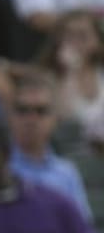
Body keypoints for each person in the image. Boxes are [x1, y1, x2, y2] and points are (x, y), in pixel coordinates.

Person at [8, 72, 93, 219]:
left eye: (41, 111)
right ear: (10, 115)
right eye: (23, 110)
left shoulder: (67, 173)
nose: (31, 119)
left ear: (55, 118)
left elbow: (81, 228)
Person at [36, 11, 104, 145]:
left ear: (97, 41)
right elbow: (64, 119)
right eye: (69, 36)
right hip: (70, 150)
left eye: (82, 36)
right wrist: (70, 73)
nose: (75, 42)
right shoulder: (47, 78)